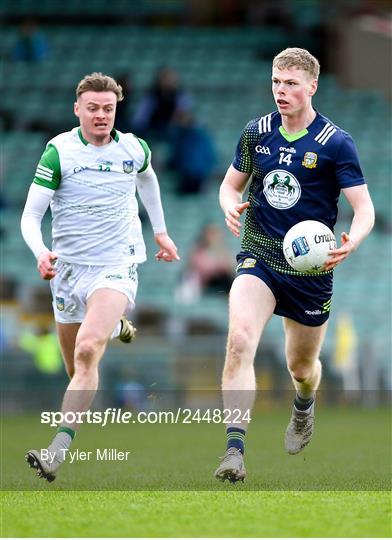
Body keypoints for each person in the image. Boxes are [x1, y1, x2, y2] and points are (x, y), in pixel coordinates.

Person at [214, 48, 374, 483]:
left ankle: (304, 406)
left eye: (290, 84)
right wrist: (230, 206)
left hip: (311, 271)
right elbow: (230, 186)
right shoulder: (257, 132)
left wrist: (353, 241)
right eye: (275, 82)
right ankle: (234, 449)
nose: (280, 91)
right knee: (239, 340)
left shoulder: (336, 143)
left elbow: (364, 209)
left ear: (312, 87)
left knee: (301, 368)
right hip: (260, 253)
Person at [20, 72, 179, 482]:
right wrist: (41, 253)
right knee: (76, 368)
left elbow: (149, 180)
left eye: (108, 108)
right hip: (68, 272)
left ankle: (56, 450)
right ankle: (114, 327)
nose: (101, 116)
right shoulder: (59, 152)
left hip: (116, 265)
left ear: (116, 110)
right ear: (78, 109)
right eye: (92, 108)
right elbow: (31, 216)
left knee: (88, 351)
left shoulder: (133, 148)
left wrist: (159, 230)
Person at [132, 67, 193, 140]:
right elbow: (140, 118)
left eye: (171, 79)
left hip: (172, 128)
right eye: (166, 78)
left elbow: (184, 115)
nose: (169, 82)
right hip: (153, 128)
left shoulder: (180, 96)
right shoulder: (151, 96)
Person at [167, 110, 217, 195]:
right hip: (185, 176)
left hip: (198, 176)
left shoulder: (200, 136)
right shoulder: (179, 136)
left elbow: (209, 157)